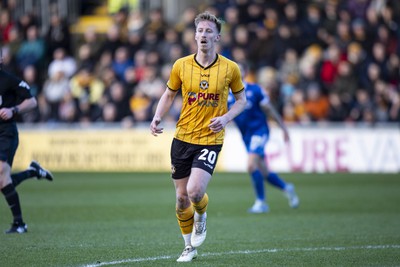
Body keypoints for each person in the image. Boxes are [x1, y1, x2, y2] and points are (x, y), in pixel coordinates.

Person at [150, 11, 247, 262]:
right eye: (200, 31)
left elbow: (242, 101)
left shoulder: (230, 68)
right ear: (194, 35)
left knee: (194, 192)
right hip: (182, 137)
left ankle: (201, 217)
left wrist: (225, 118)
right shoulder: (181, 65)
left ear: (217, 37)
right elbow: (169, 94)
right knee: (182, 199)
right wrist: (157, 116)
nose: (203, 35)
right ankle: (188, 247)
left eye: (208, 31)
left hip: (210, 139)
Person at [228, 63, 299, 213]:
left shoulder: (255, 90)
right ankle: (286, 188)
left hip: (260, 131)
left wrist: (283, 128)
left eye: (240, 70)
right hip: (246, 135)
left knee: (251, 165)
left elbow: (270, 109)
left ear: (245, 73)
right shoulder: (226, 94)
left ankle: (261, 203)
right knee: (264, 171)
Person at [0, 54, 53, 234]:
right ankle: (32, 171)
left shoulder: (10, 80)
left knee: (1, 172)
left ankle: (19, 224)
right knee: (3, 181)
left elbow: (32, 101)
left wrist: (13, 109)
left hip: (5, 133)